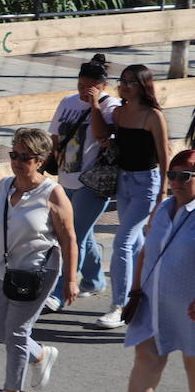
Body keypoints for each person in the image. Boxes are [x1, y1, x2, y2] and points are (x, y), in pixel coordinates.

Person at [0, 128, 79, 392]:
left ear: (40, 160)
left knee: (16, 331)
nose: (17, 161)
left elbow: (68, 239)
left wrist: (71, 279)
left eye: (24, 157)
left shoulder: (53, 193)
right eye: (14, 154)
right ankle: (40, 354)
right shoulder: (3, 187)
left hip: (38, 271)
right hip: (6, 269)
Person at [92, 149, 195, 392]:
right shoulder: (163, 209)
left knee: (193, 363)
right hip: (154, 301)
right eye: (172, 175)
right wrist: (135, 293)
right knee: (146, 357)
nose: (176, 182)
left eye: (185, 176)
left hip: (190, 307)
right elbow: (146, 252)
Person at [94, 64, 170, 329]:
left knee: (123, 243)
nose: (125, 86)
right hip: (124, 181)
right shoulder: (119, 113)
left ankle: (120, 306)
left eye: (131, 82)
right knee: (136, 243)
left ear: (143, 86)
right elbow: (104, 136)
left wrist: (162, 192)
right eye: (122, 80)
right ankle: (144, 297)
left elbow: (164, 155)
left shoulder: (153, 116)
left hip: (146, 185)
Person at [44, 54, 118, 311]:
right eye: (81, 84)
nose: (83, 91)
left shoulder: (110, 106)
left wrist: (95, 103)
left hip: (93, 181)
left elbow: (101, 135)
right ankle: (95, 280)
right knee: (81, 233)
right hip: (66, 178)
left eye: (91, 86)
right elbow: (55, 134)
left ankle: (61, 290)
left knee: (72, 235)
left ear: (103, 86)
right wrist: (55, 162)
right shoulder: (67, 102)